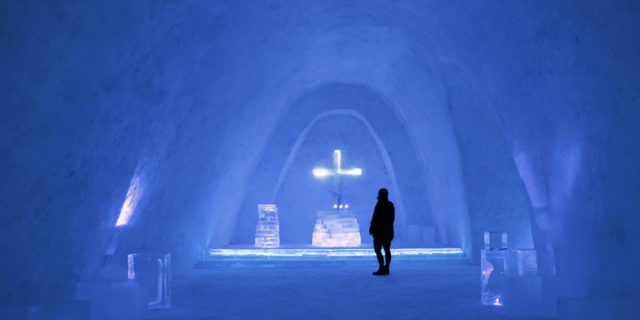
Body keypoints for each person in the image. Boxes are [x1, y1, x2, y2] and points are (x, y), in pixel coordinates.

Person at [369, 188, 394, 275]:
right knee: (386, 250)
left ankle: (382, 267)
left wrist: (372, 228)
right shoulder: (389, 204)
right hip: (386, 232)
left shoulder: (380, 204)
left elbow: (375, 218)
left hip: (380, 232)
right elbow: (391, 219)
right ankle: (386, 268)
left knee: (379, 250)